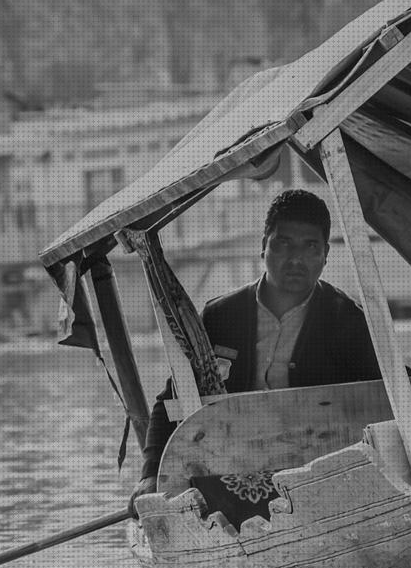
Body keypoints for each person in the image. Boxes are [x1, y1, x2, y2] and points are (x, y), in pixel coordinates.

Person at [131, 189, 381, 504]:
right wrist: (150, 474)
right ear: (263, 246)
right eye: (283, 243)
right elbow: (172, 399)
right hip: (228, 475)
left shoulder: (347, 319)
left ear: (325, 254)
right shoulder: (220, 315)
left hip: (316, 479)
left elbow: (389, 393)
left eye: (310, 247)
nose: (295, 259)